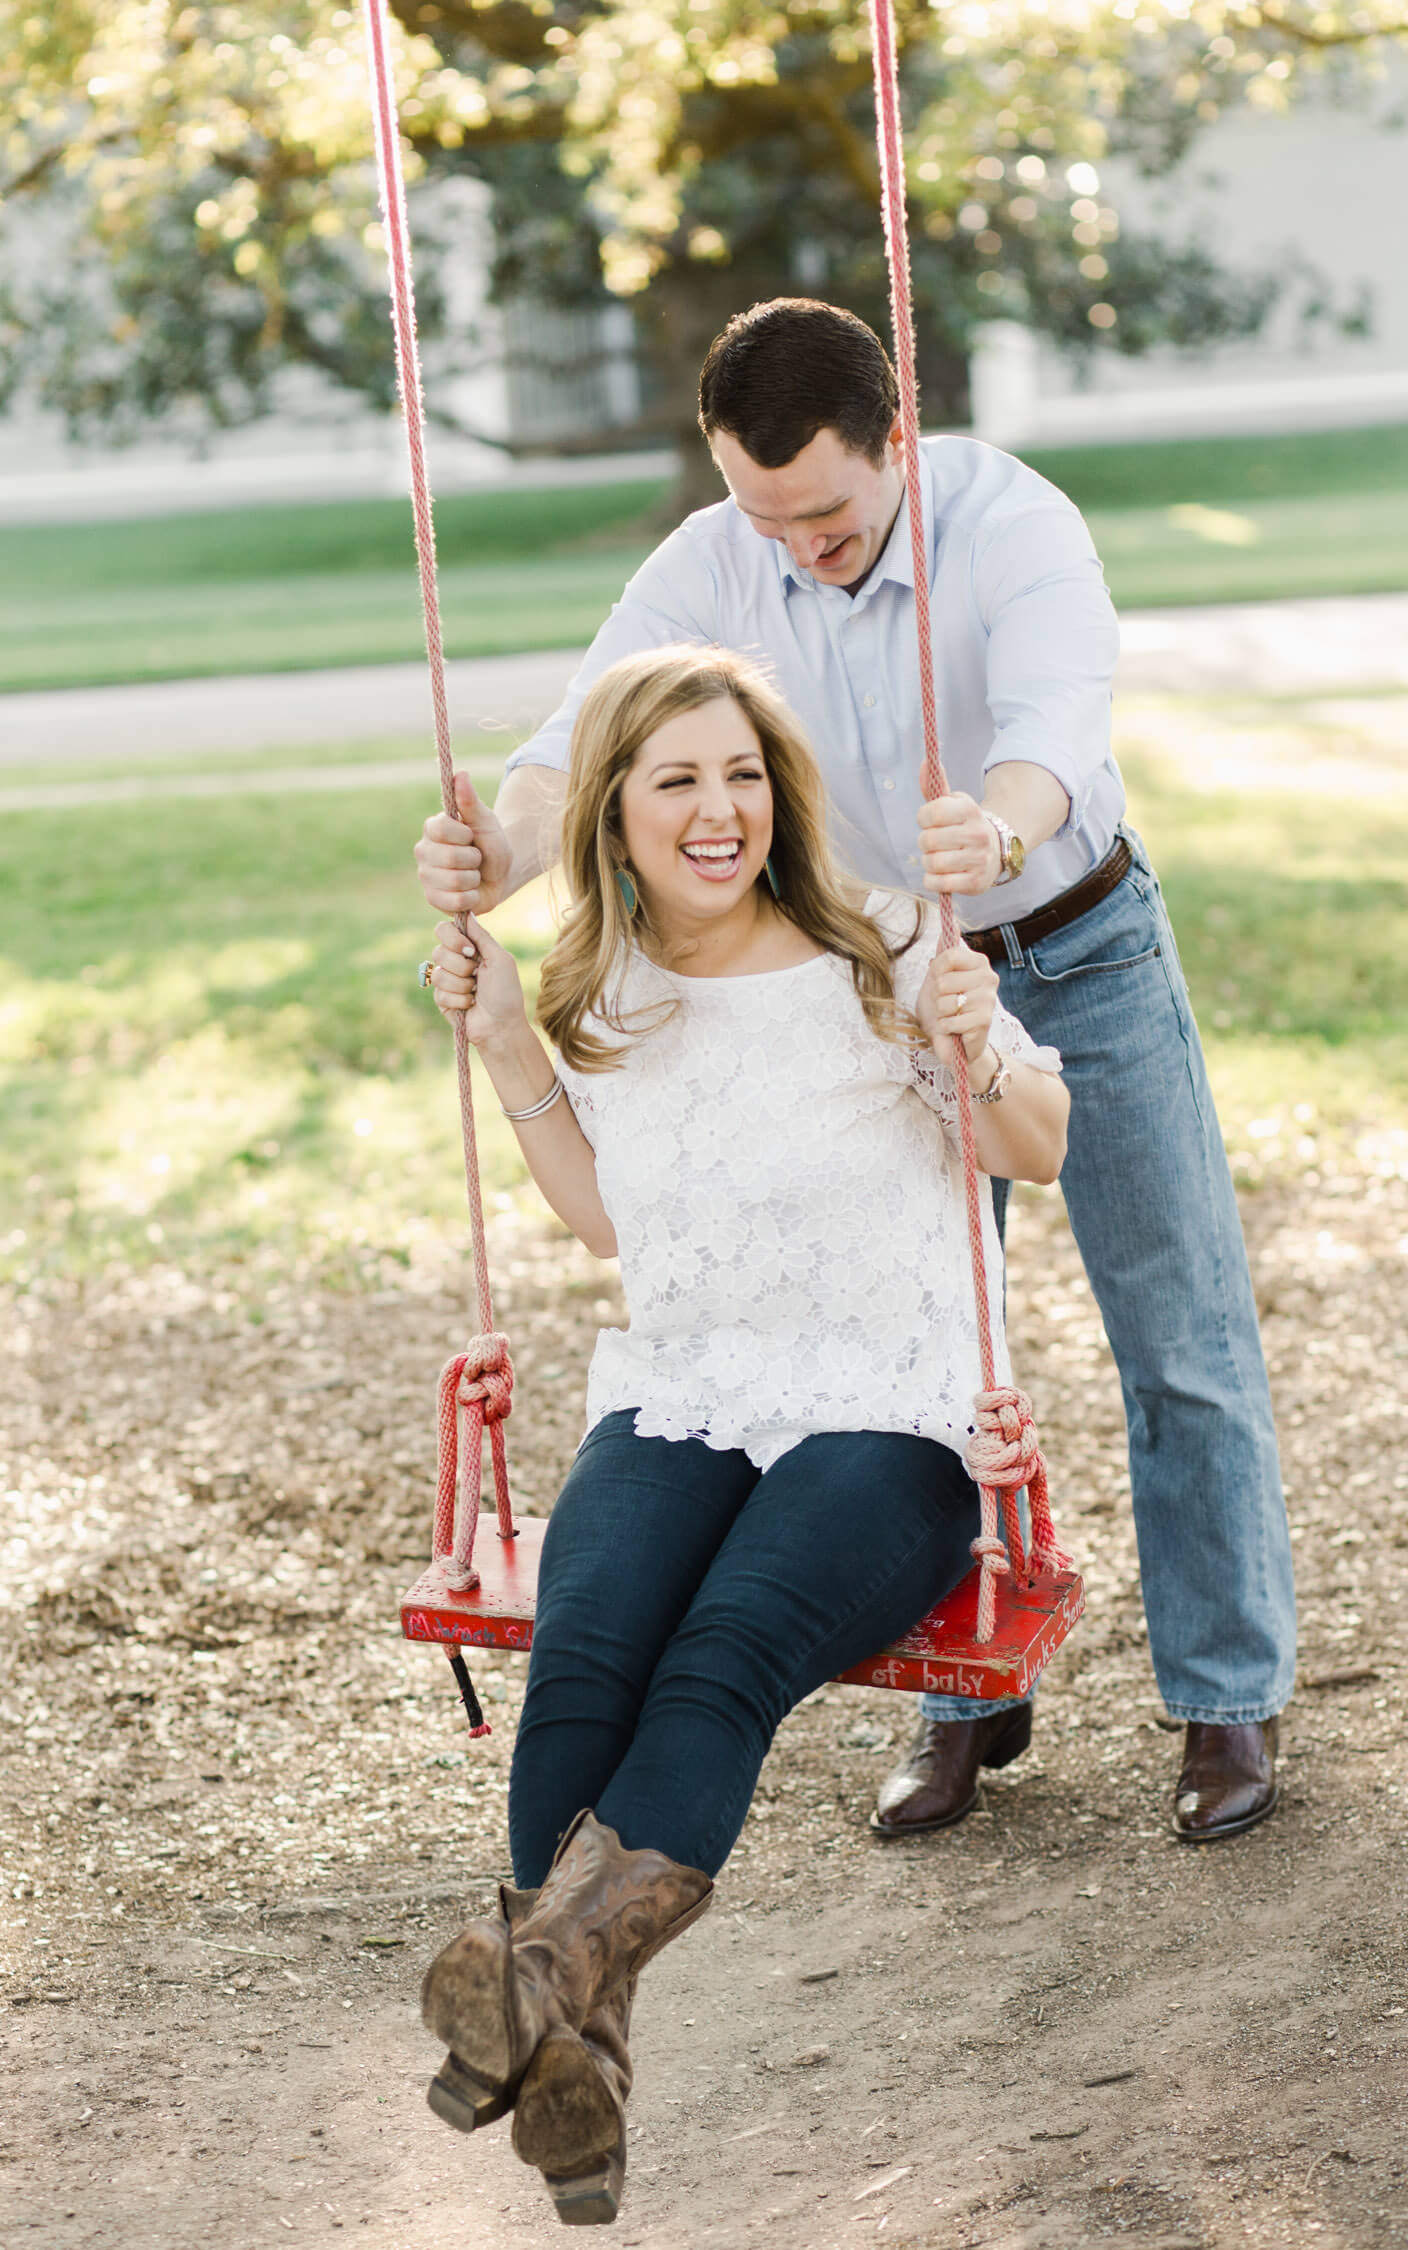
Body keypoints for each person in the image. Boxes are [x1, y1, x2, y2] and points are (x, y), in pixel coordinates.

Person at [415, 297, 1296, 1847]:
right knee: (912, 1336)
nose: (797, 544)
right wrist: (503, 836)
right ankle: (963, 1710)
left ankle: (1225, 1692)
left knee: (1178, 1328)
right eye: (766, 515)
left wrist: (1002, 828)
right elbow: (584, 731)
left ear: (896, 444)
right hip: (867, 980)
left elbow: (1056, 729)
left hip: (1067, 938)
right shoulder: (722, 551)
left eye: (824, 511)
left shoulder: (1012, 521)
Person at [417, 642, 1068, 2222]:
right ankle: (581, 2036)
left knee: (723, 1654)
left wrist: (968, 1038)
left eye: (742, 773)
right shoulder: (606, 988)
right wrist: (509, 1040)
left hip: (888, 1411)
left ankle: (541, 1968)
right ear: (615, 818)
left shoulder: (892, 952)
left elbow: (1036, 1148)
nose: (720, 810)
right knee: (584, 1650)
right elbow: (601, 1220)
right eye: (676, 781)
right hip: (689, 1384)